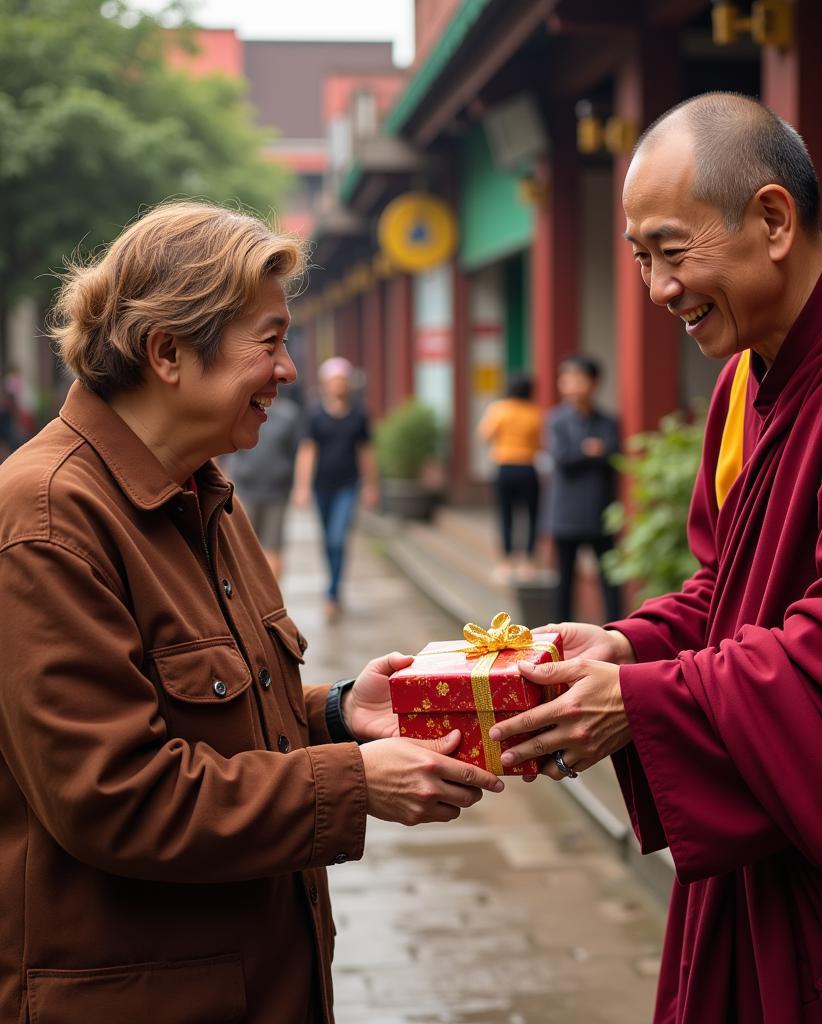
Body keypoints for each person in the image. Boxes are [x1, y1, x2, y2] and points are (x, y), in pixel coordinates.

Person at [490, 93, 822, 1021]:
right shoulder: (747, 379)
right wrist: (628, 648)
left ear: (774, 220)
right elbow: (728, 592)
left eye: (671, 251)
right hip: (782, 844)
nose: (659, 290)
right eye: (640, 260)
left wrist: (646, 705)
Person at [0, 201, 503, 1024]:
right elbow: (116, 795)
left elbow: (211, 716)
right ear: (167, 352)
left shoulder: (203, 490)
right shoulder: (49, 520)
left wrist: (339, 715)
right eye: (269, 342)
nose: (291, 371)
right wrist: (355, 783)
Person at [293, 357, 377, 621]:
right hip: (321, 487)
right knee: (328, 541)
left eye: (341, 381)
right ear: (325, 384)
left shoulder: (359, 415)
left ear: (347, 384)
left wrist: (371, 485)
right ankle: (333, 586)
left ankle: (332, 593)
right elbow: (308, 451)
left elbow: (366, 452)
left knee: (338, 539)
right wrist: (302, 486)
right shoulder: (315, 415)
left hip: (348, 486)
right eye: (333, 381)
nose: (337, 385)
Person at [547, 354, 622, 621]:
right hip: (566, 513)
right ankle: (558, 638)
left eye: (578, 378)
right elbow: (562, 458)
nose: (571, 385)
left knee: (611, 579)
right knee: (564, 582)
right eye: (565, 379)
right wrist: (590, 450)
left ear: (594, 382)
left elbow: (613, 455)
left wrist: (588, 452)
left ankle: (616, 632)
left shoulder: (608, 421)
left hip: (600, 512)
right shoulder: (556, 420)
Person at [221, 382, 305, 578]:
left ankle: (272, 602)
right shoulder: (238, 411)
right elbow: (222, 452)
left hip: (277, 493)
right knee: (243, 549)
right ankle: (252, 600)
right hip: (244, 492)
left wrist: (301, 486)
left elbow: (301, 452)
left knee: (272, 547)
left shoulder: (289, 415)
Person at [477, 373, 543, 581]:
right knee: (532, 516)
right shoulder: (534, 412)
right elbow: (540, 441)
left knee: (506, 514)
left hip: (505, 466)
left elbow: (484, 435)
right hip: (528, 467)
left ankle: (506, 563)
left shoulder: (499, 409)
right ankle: (528, 563)